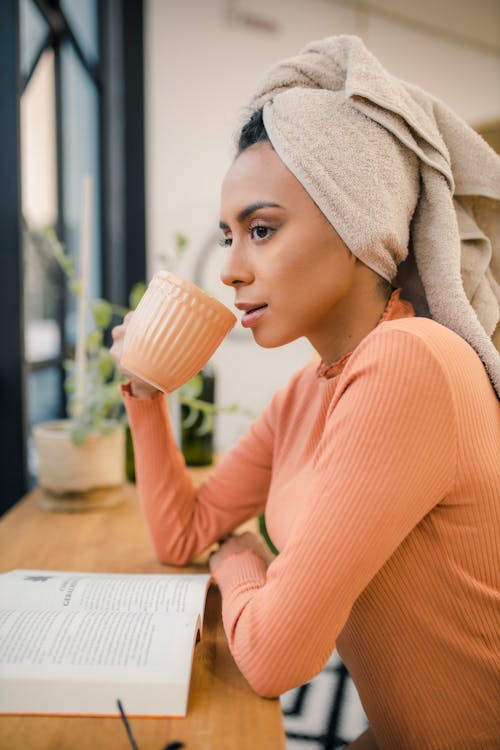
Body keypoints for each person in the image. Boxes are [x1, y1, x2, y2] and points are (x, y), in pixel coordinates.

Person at [111, 36, 500, 750]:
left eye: (261, 229)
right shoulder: (308, 391)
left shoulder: (409, 363)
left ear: (359, 224)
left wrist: (237, 558)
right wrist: (145, 389)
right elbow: (183, 534)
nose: (231, 269)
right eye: (228, 236)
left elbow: (272, 659)